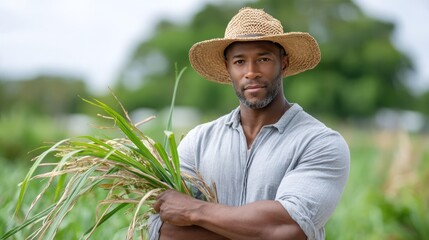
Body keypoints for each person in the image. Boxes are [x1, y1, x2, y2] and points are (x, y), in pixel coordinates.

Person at [149, 7, 350, 240]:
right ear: (228, 68)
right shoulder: (198, 142)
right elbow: (164, 229)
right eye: (240, 61)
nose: (251, 72)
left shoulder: (319, 142)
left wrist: (195, 211)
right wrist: (257, 231)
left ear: (283, 63)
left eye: (263, 59)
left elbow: (288, 230)